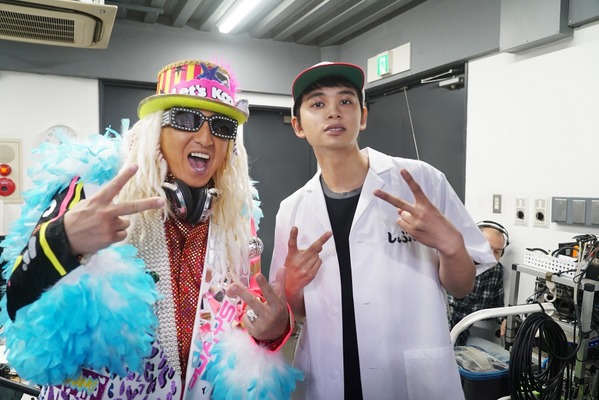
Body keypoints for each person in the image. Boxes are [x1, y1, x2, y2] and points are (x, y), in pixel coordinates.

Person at [0, 59, 301, 400]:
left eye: (221, 126)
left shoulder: (236, 217)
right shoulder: (94, 190)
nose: (205, 137)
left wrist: (274, 330)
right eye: (186, 119)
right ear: (156, 130)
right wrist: (65, 240)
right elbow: (16, 300)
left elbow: (248, 308)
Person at [268, 61, 497, 400]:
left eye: (345, 101)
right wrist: (291, 288)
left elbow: (462, 287)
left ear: (362, 117)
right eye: (317, 103)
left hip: (409, 377)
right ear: (298, 125)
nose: (333, 111)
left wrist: (451, 246)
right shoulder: (292, 209)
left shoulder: (422, 181)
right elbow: (297, 310)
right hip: (330, 375)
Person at [447, 220, 511, 363]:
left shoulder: (495, 271)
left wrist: (505, 320)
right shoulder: (450, 262)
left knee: (509, 359)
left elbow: (496, 308)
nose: (491, 255)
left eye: (497, 251)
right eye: (488, 248)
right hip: (438, 340)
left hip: (461, 339)